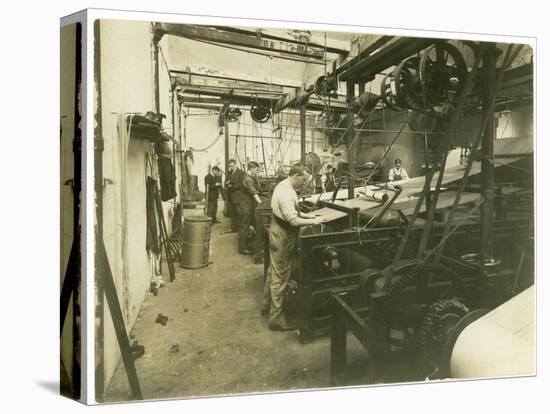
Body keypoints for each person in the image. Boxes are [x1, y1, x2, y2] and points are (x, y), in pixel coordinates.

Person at [261, 164, 325, 331]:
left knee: (273, 270)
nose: (304, 184)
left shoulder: (282, 185)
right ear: (296, 175)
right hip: (284, 234)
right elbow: (293, 221)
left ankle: (265, 304)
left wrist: (307, 215)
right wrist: (313, 221)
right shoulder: (287, 194)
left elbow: (293, 213)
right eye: (303, 180)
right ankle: (276, 320)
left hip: (277, 230)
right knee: (281, 276)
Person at [231, 161, 262, 255]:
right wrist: (261, 204)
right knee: (244, 225)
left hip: (243, 204)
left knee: (244, 225)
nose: (257, 171)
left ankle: (244, 246)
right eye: (256, 170)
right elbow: (253, 193)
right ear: (252, 169)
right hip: (244, 205)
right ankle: (243, 249)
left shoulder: (246, 177)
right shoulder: (248, 179)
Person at [224, 159, 242, 233]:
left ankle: (240, 228)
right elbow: (225, 181)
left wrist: (232, 186)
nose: (230, 167)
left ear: (235, 164)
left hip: (238, 197)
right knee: (232, 213)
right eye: (229, 166)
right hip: (230, 197)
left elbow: (241, 185)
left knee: (239, 213)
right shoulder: (229, 173)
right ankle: (234, 228)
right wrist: (226, 183)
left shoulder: (240, 173)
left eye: (231, 166)